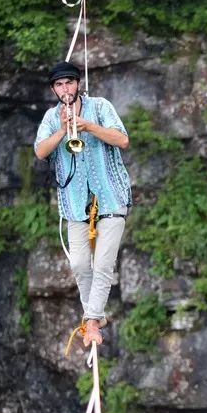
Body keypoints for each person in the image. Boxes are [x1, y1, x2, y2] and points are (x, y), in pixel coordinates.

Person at [34, 61, 132, 348]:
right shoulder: (52, 118)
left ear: (78, 84)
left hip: (111, 196)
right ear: (54, 89)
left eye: (69, 83)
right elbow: (40, 152)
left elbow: (122, 140)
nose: (65, 89)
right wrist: (63, 132)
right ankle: (95, 316)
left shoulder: (100, 107)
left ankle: (91, 322)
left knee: (103, 262)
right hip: (76, 203)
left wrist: (88, 126)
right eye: (60, 85)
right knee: (79, 264)